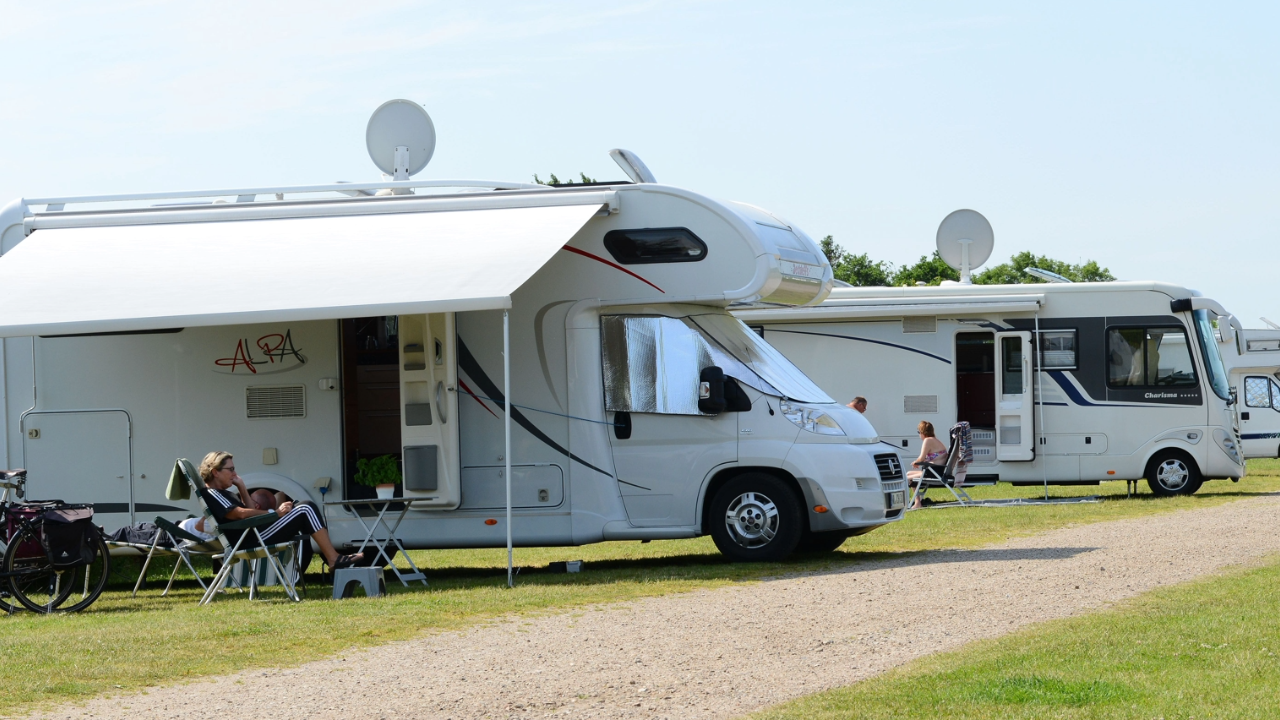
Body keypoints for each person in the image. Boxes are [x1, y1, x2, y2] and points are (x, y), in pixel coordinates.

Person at [197, 451, 361, 570]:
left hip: (256, 534)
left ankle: (334, 558)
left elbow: (250, 510)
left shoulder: (222, 493)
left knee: (304, 507)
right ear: (215, 472)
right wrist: (275, 513)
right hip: (251, 540)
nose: (235, 473)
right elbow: (239, 513)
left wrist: (241, 486)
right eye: (231, 469)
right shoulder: (212, 493)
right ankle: (333, 559)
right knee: (305, 508)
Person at [906, 421, 948, 509]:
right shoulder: (934, 440)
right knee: (908, 474)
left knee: (907, 477)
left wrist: (915, 462)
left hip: (934, 472)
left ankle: (917, 502)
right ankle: (917, 502)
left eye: (919, 432)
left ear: (923, 432)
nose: (919, 435)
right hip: (936, 470)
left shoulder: (927, 440)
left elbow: (921, 458)